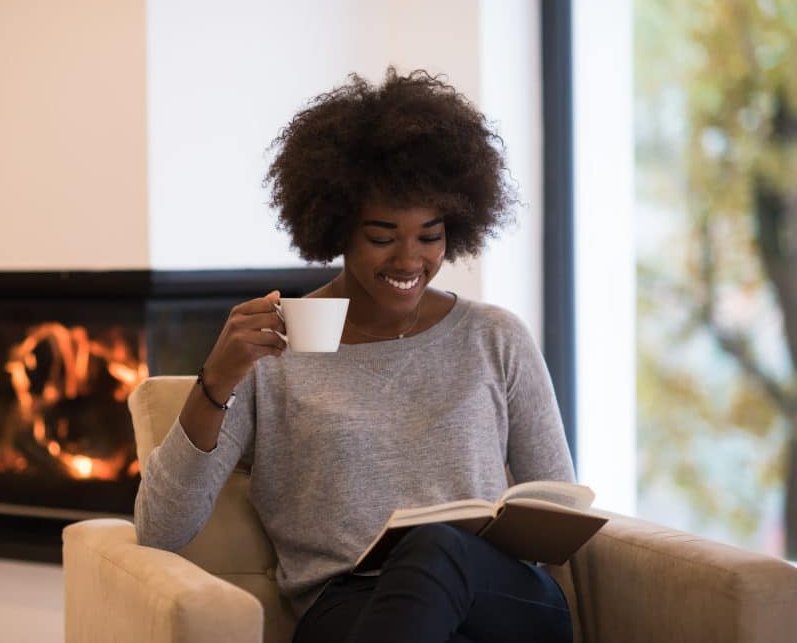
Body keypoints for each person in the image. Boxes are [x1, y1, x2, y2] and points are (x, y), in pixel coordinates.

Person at [134, 68, 575, 643]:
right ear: (336, 225)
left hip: (501, 599)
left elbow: (557, 509)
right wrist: (217, 379)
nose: (409, 260)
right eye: (382, 235)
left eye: (430, 235)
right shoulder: (274, 349)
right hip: (350, 606)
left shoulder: (495, 337)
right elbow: (160, 530)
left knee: (437, 547)